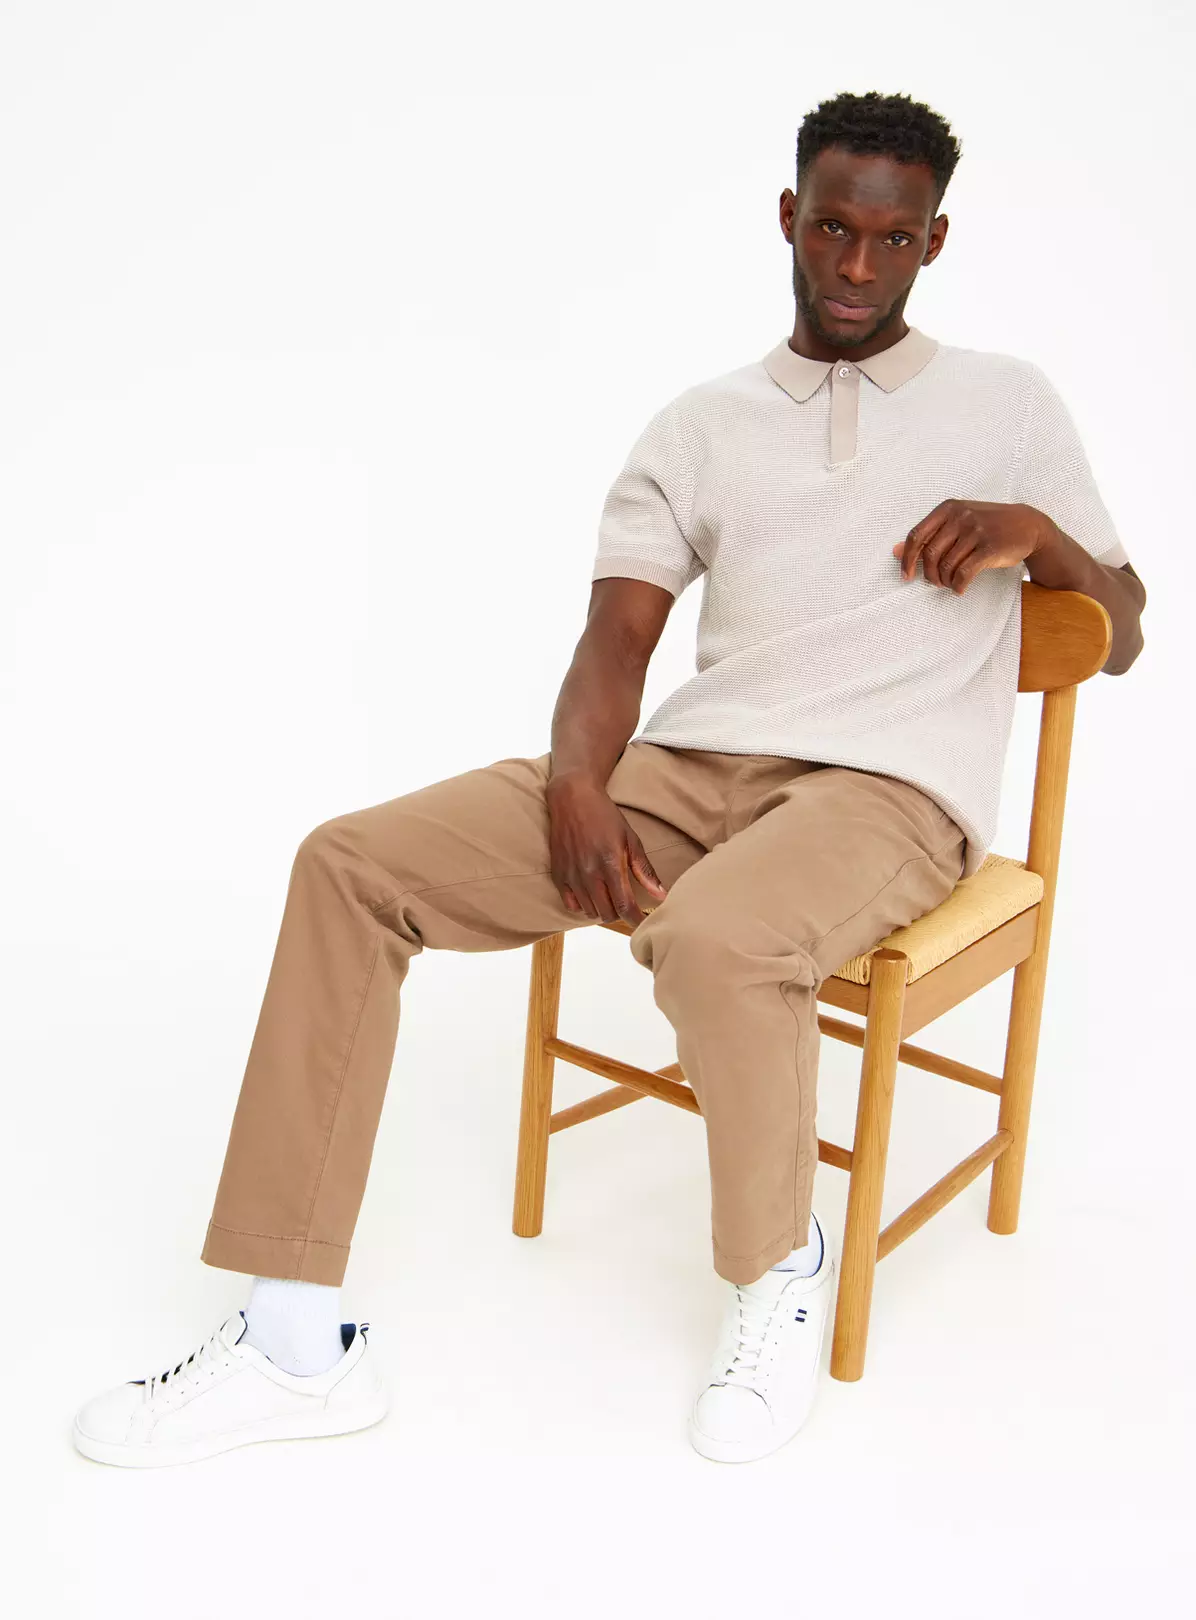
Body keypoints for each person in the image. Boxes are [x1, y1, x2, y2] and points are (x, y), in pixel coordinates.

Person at [71, 88, 1146, 1470]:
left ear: (934, 241)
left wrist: (1035, 531)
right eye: (833, 227)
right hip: (685, 774)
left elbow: (1122, 629)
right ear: (789, 218)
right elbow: (617, 640)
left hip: (888, 793)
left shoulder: (1008, 405)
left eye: (894, 237)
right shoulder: (700, 426)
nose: (858, 265)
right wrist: (580, 783)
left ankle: (778, 1271)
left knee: (716, 940)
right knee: (350, 865)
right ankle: (291, 1342)